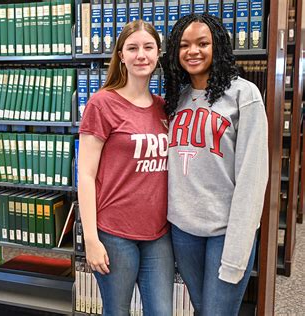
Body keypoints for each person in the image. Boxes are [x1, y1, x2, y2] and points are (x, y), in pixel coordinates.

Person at [163, 13, 269, 316]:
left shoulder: (243, 94)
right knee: (202, 310)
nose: (192, 51)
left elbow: (252, 176)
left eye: (202, 43)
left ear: (218, 46)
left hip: (226, 232)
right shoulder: (177, 97)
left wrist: (238, 249)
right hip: (184, 231)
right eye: (184, 45)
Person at [78, 19, 174, 316]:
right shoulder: (102, 104)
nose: (141, 55)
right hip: (114, 233)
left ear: (158, 53)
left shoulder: (165, 107)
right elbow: (86, 175)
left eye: (148, 47)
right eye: (132, 48)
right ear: (121, 55)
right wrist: (91, 239)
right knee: (116, 311)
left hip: (158, 234)